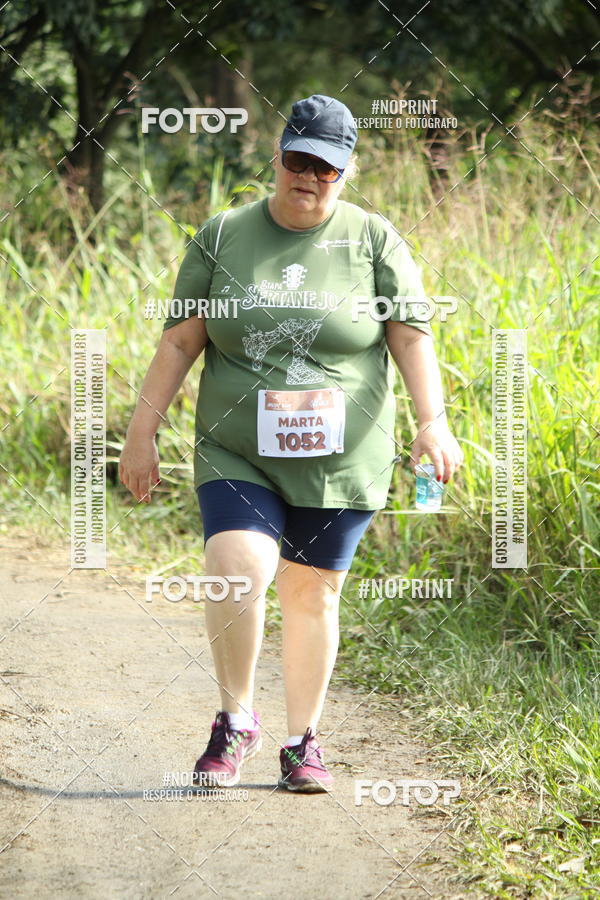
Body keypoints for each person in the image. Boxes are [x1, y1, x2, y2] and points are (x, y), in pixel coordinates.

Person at [119, 94, 463, 794]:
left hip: (343, 456)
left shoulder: (374, 240)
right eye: (299, 160)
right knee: (237, 564)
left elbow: (410, 334)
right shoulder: (223, 235)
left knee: (312, 596)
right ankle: (235, 718)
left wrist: (434, 421)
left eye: (327, 169)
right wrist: (140, 433)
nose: (309, 177)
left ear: (347, 172)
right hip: (238, 447)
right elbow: (182, 339)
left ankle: (302, 742)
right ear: (277, 157)